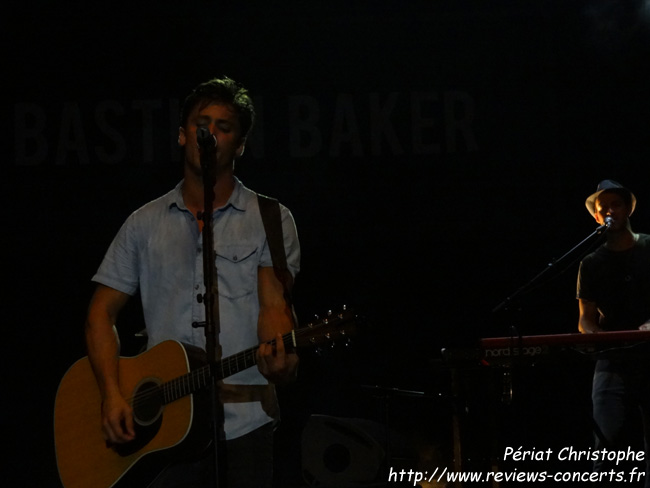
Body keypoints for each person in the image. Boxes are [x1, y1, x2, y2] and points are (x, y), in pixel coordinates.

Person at [84, 76, 300, 488]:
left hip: (244, 426)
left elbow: (275, 309)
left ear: (239, 145)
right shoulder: (143, 224)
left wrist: (283, 361)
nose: (211, 134)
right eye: (203, 124)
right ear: (183, 136)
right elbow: (99, 314)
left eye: (224, 126)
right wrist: (111, 393)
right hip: (164, 430)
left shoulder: (271, 219)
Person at [577, 179, 650, 487]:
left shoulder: (649, 246)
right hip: (613, 361)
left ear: (628, 208)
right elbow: (585, 320)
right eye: (602, 207)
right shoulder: (591, 263)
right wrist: (596, 336)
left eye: (615, 204)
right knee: (606, 449)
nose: (609, 210)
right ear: (596, 217)